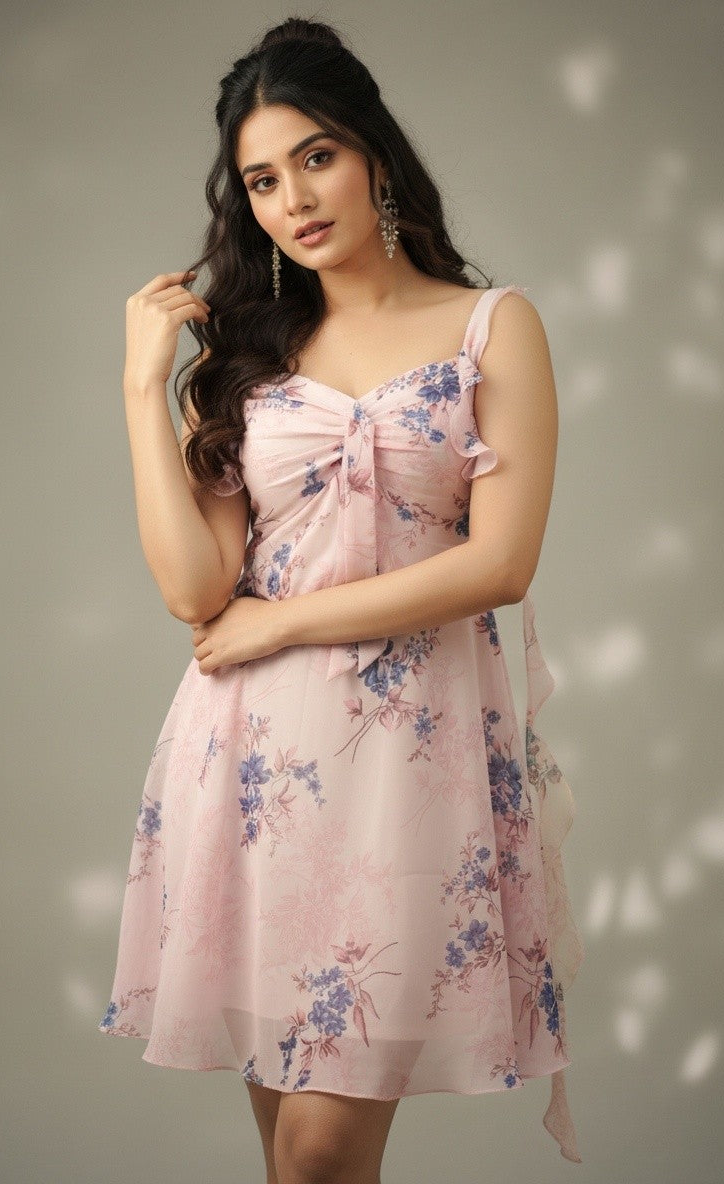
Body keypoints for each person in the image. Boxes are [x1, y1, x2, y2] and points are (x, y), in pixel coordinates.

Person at [99, 14, 585, 1181]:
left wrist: (278, 620)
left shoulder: (492, 326)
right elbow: (195, 588)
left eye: (316, 156)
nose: (295, 199)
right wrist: (140, 389)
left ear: (374, 152)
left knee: (320, 1152)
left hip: (411, 775)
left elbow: (500, 564)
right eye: (263, 180)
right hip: (255, 765)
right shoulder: (251, 355)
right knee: (297, 1162)